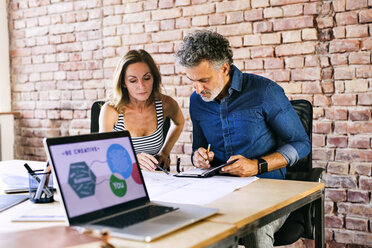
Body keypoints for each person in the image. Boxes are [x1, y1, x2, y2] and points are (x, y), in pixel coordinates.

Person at [175, 30, 310, 247]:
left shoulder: (265, 91)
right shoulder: (197, 100)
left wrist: (257, 166)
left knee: (254, 231)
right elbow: (198, 148)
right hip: (217, 190)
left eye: (204, 80)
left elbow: (301, 144)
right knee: (187, 224)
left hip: (268, 189)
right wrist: (198, 157)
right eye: (192, 81)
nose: (198, 89)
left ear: (224, 69)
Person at [99, 49, 184, 171]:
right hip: (121, 178)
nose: (142, 86)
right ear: (123, 83)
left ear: (154, 78)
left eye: (147, 78)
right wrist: (132, 159)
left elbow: (179, 123)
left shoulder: (166, 104)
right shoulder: (111, 110)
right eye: (133, 80)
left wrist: (165, 152)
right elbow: (103, 152)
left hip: (156, 180)